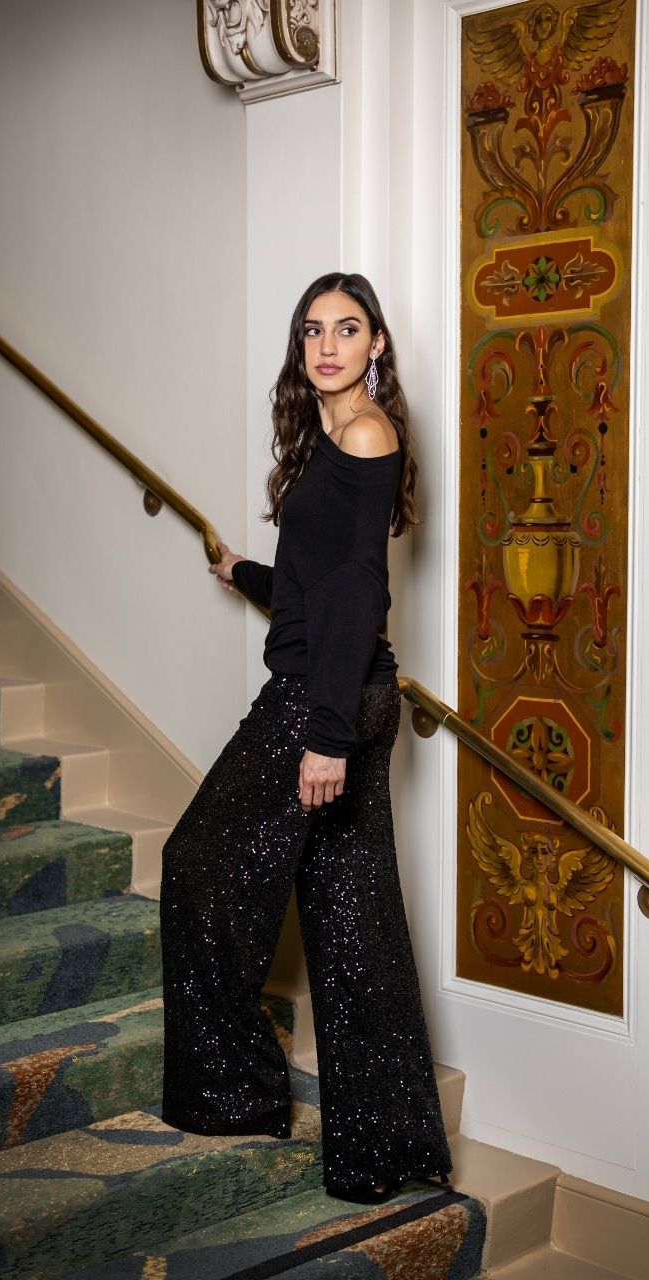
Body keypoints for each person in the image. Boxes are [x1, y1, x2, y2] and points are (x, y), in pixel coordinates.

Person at [159, 271, 452, 1205]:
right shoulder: (330, 439)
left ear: (376, 345)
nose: (327, 345)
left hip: (321, 704)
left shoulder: (365, 432)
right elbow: (316, 581)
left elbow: (358, 590)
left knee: (195, 863)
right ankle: (382, 1151)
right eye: (313, 330)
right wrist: (245, 571)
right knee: (351, 921)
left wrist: (324, 737)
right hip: (347, 693)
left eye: (347, 328)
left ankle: (238, 1091)